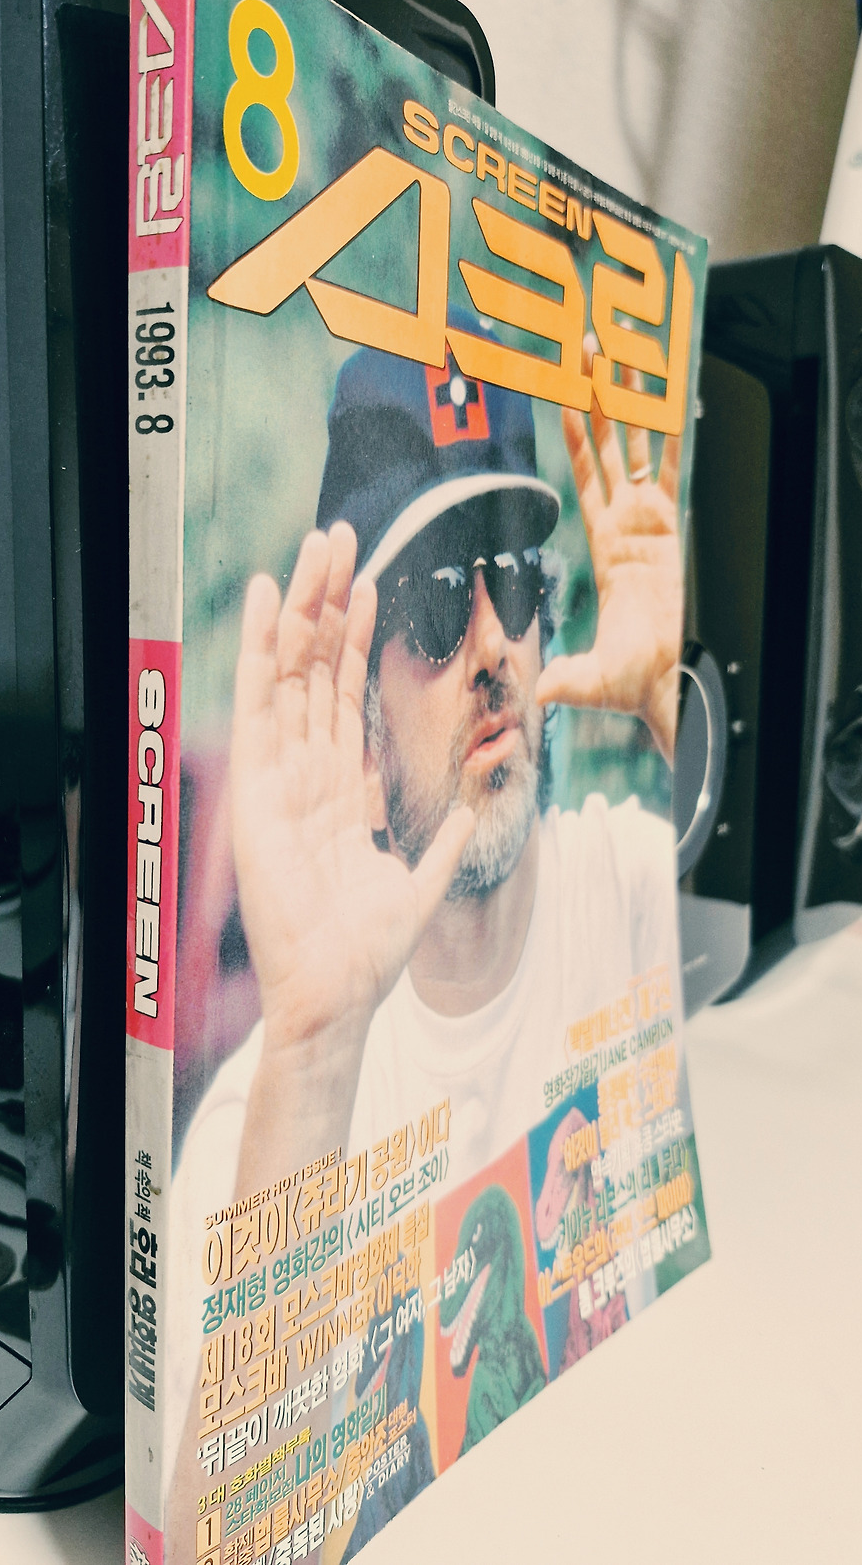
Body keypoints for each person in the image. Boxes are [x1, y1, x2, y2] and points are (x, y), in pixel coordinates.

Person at [164, 325, 684, 1550]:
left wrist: (677, 698)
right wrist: (313, 1046)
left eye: (519, 582)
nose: (494, 645)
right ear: (356, 701)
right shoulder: (261, 1134)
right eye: (441, 603)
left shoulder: (627, 885)